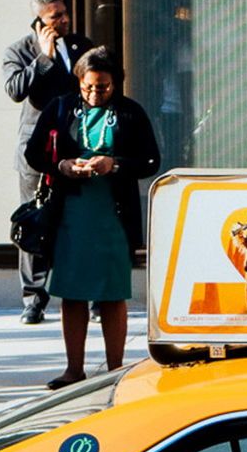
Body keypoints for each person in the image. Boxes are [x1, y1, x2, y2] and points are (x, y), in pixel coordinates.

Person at [26, 45, 159, 390]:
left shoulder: (130, 112)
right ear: (79, 82)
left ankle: (115, 368)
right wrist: (63, 166)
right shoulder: (60, 107)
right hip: (71, 212)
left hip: (112, 215)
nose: (95, 93)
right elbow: (33, 153)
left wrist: (113, 164)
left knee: (113, 292)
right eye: (88, 87)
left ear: (116, 83)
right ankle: (74, 369)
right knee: (72, 291)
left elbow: (150, 161)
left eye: (103, 87)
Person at [3, 0, 93, 325]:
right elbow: (14, 90)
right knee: (35, 221)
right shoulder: (19, 51)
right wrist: (43, 57)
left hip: (78, 145)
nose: (64, 20)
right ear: (39, 23)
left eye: (65, 14)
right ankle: (34, 299)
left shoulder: (81, 47)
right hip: (37, 150)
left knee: (82, 221)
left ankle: (91, 295)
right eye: (55, 17)